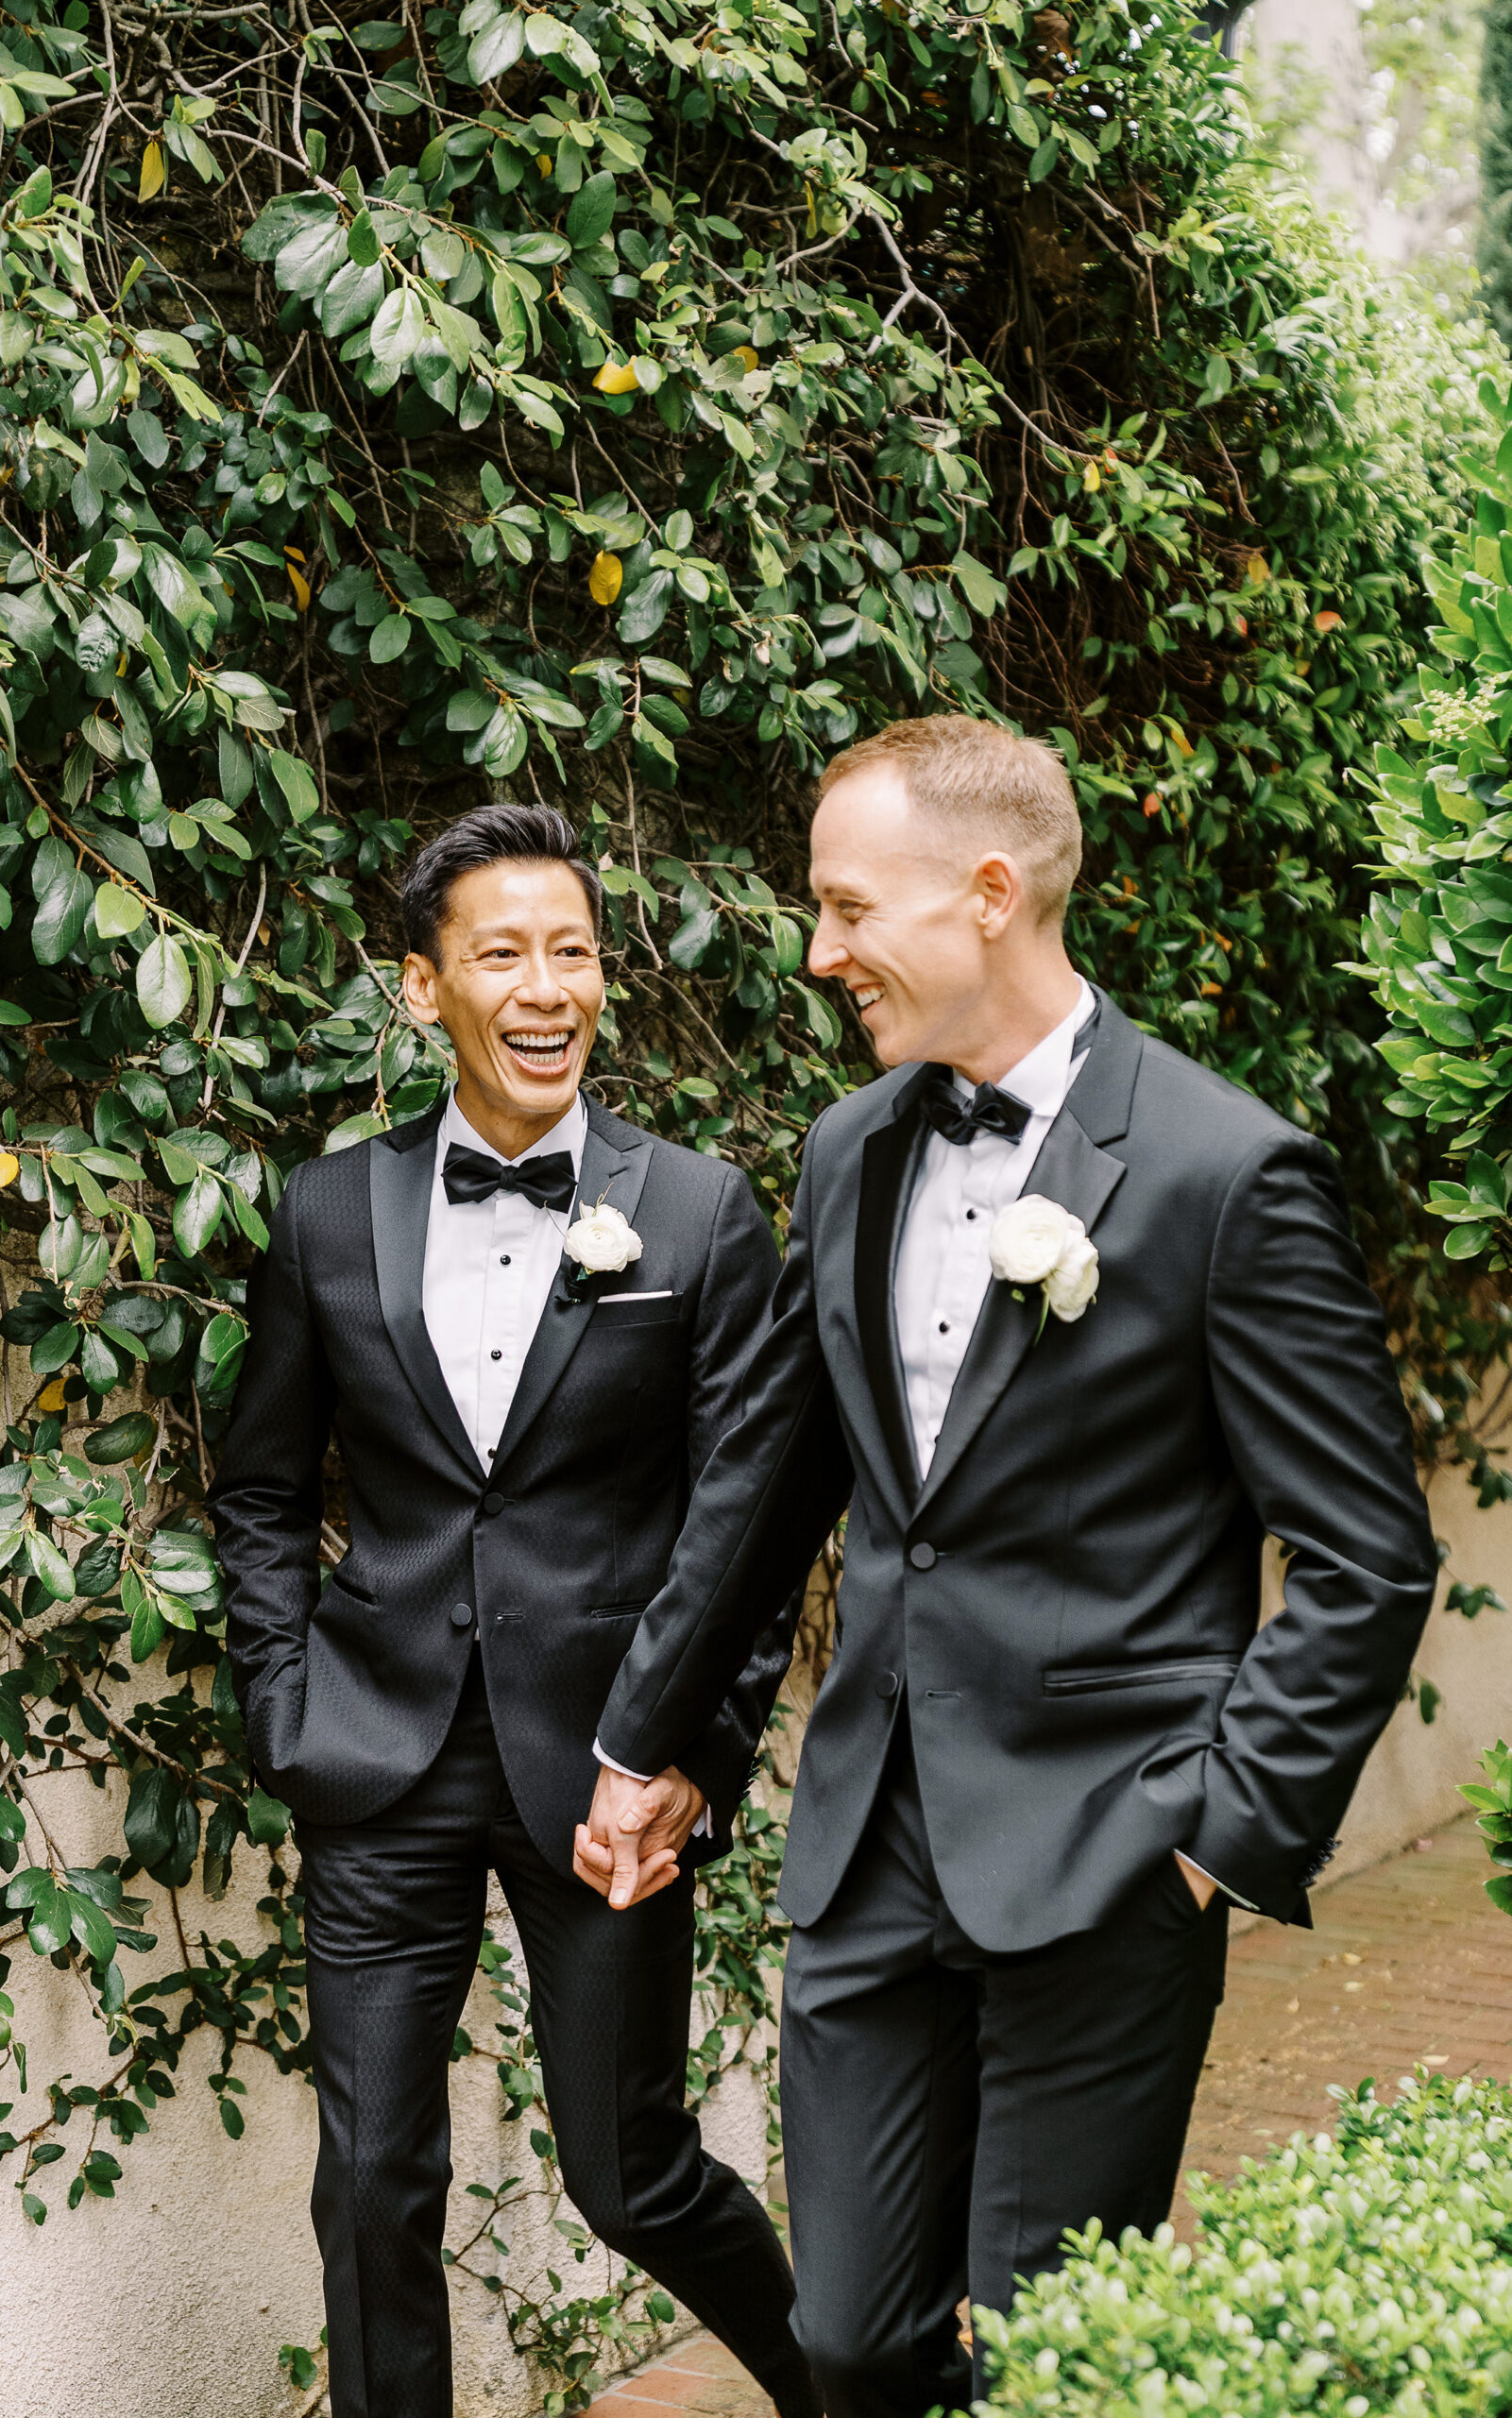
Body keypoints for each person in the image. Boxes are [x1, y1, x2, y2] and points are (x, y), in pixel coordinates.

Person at [580, 715, 1438, 2418]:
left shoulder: (1220, 1172)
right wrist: (647, 1741)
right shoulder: (847, 1150)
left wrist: (1214, 1836)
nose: (819, 953)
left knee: (1044, 2355)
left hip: (1105, 1852)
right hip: (867, 1842)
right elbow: (774, 1479)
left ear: (987, 895)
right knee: (843, 2343)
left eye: (844, 909)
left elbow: (1363, 1552)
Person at [210, 803, 820, 2418]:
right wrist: (283, 1700)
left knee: (633, 2176)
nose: (546, 987)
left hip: (608, 1770)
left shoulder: (695, 1214)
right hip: (377, 1754)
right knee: (372, 2184)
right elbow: (262, 1490)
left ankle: (857, 2393)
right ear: (425, 991)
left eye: (573, 952)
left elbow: (746, 1524)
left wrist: (696, 1753)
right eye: (502, 954)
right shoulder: (324, 1214)